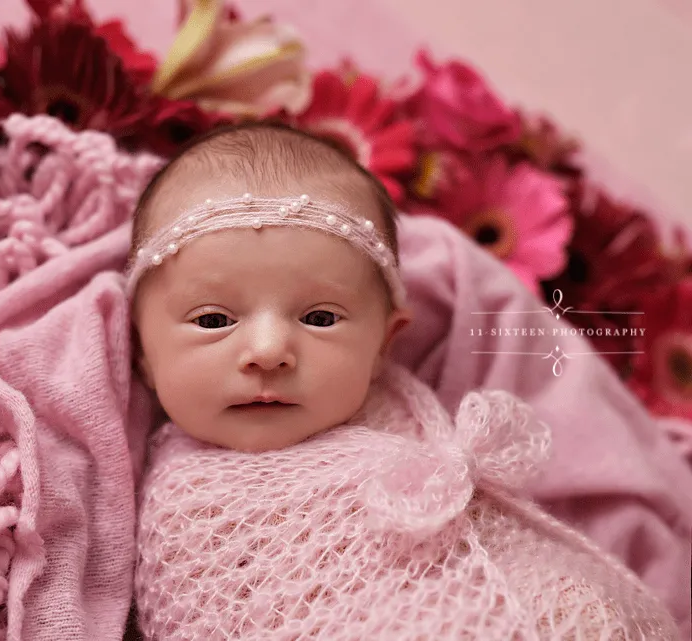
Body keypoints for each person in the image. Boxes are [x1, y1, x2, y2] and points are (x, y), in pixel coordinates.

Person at [124, 122, 679, 639]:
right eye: (213, 321)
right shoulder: (187, 509)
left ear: (384, 345)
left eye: (319, 318)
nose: (268, 353)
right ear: (144, 352)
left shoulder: (393, 405)